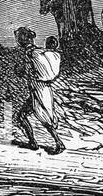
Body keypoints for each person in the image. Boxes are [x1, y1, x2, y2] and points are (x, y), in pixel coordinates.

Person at [13, 26, 65, 154]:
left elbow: (25, 71)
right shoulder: (38, 52)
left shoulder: (31, 54)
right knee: (23, 116)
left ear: (23, 39)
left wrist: (20, 71)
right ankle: (33, 142)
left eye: (19, 38)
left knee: (44, 117)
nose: (18, 41)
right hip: (40, 89)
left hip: (38, 89)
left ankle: (58, 143)